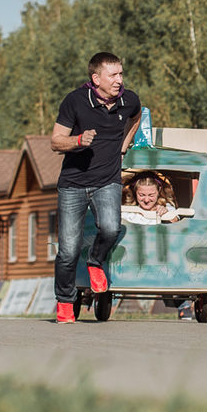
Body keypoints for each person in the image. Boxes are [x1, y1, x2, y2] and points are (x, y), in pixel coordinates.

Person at [50, 53, 141, 324]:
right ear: (96, 78)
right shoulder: (75, 101)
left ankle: (95, 261)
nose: (119, 80)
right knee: (67, 249)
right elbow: (56, 141)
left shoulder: (129, 100)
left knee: (112, 228)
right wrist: (78, 140)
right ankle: (65, 302)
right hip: (73, 185)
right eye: (113, 75)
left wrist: (124, 147)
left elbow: (135, 118)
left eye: (121, 74)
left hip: (107, 181)